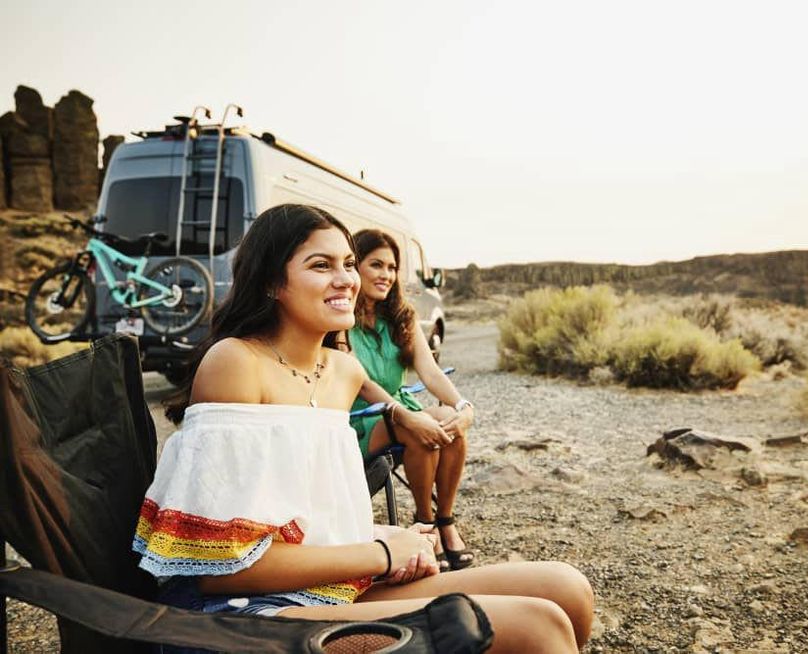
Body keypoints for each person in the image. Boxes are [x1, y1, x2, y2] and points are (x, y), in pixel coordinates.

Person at [142, 204, 593, 652]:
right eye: (321, 265)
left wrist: (388, 537)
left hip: (327, 588)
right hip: (239, 613)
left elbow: (307, 519)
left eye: (348, 264)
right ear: (271, 282)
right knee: (537, 626)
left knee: (566, 588)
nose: (346, 279)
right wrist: (381, 554)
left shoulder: (343, 371)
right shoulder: (237, 362)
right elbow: (219, 569)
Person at [347, 229, 475, 572]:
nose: (386, 275)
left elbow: (430, 372)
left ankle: (444, 521)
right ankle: (425, 522)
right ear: (354, 266)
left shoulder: (401, 317)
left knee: (448, 421)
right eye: (376, 265)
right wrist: (406, 416)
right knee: (416, 428)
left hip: (398, 406)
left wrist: (463, 407)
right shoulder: (341, 318)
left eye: (392, 267)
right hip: (358, 417)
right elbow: (361, 384)